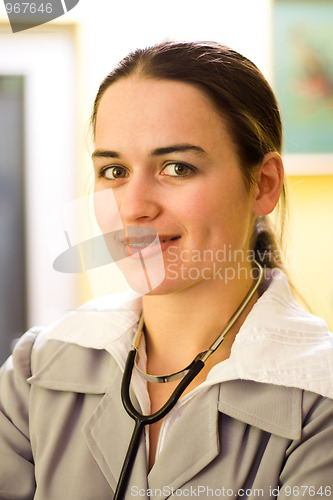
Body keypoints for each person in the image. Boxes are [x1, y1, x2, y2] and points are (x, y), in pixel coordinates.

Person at [0, 40, 333, 500]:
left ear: (264, 184)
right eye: (114, 171)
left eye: (177, 167)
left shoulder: (322, 402)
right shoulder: (36, 369)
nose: (133, 207)